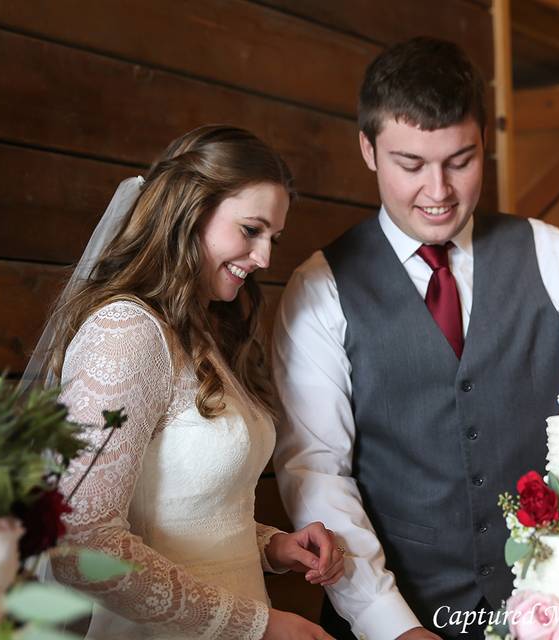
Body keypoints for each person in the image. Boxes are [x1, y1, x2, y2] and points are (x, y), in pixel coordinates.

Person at [273, 38, 559, 640]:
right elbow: (317, 473)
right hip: (395, 616)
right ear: (368, 149)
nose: (439, 191)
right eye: (411, 165)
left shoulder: (549, 254)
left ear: (486, 142)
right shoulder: (320, 288)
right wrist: (391, 626)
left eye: (461, 160)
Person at [29, 125, 344, 639]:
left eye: (273, 238)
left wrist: (270, 546)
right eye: (251, 230)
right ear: (191, 210)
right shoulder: (126, 331)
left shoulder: (207, 331)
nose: (265, 257)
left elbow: (182, 506)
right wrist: (258, 626)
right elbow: (79, 543)